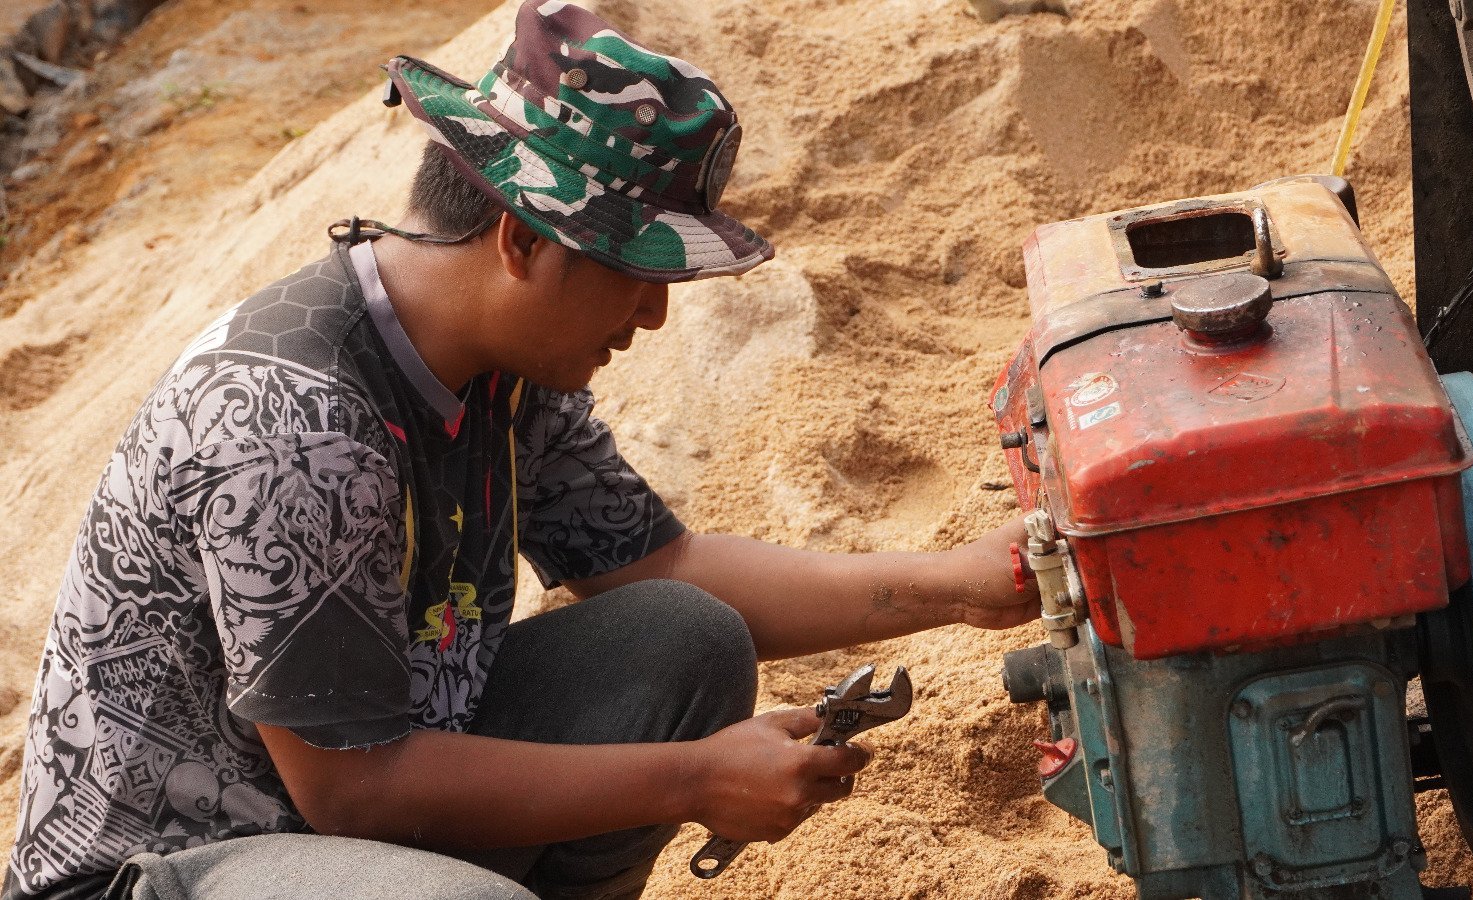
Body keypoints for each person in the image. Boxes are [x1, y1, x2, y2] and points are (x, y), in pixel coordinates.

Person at [4, 3, 1039, 898]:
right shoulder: (295, 426)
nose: (654, 316)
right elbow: (355, 792)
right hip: (173, 864)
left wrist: (959, 585)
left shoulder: (503, 372)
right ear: (523, 241)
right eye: (637, 272)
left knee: (682, 639)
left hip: (352, 806)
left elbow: (664, 565)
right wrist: (695, 777)